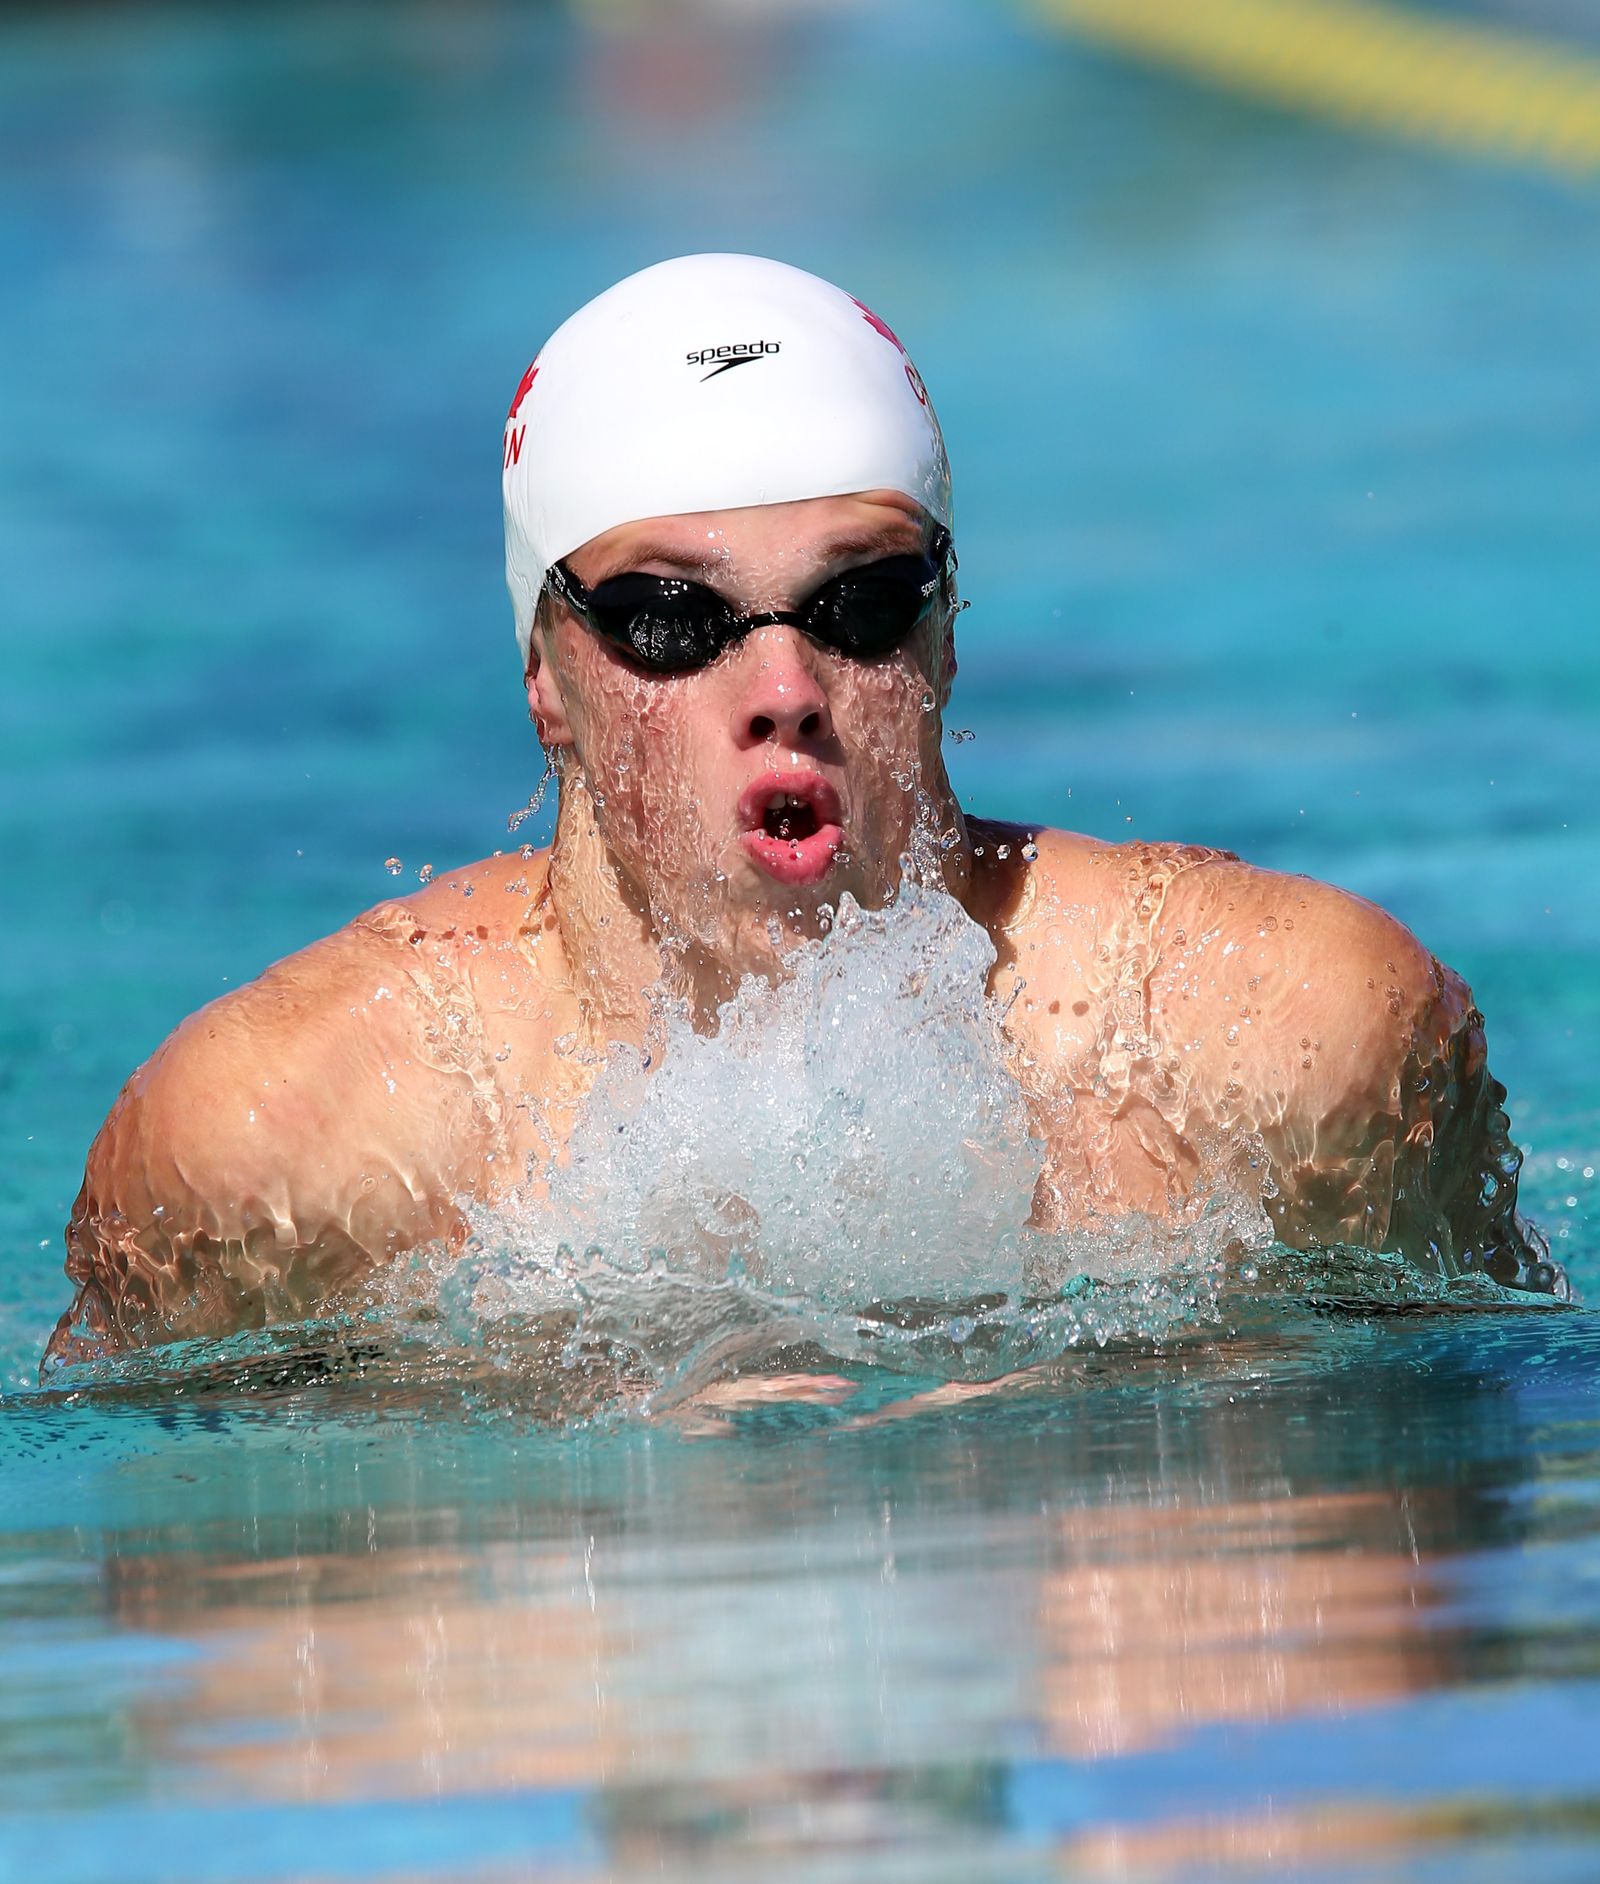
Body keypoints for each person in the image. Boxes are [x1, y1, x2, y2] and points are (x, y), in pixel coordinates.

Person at [46, 254, 1560, 1365]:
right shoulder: (284, 1146)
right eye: (668, 619)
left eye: (860, 601)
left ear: (948, 632)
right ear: (547, 682)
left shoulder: (1273, 1046)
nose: (783, 683)